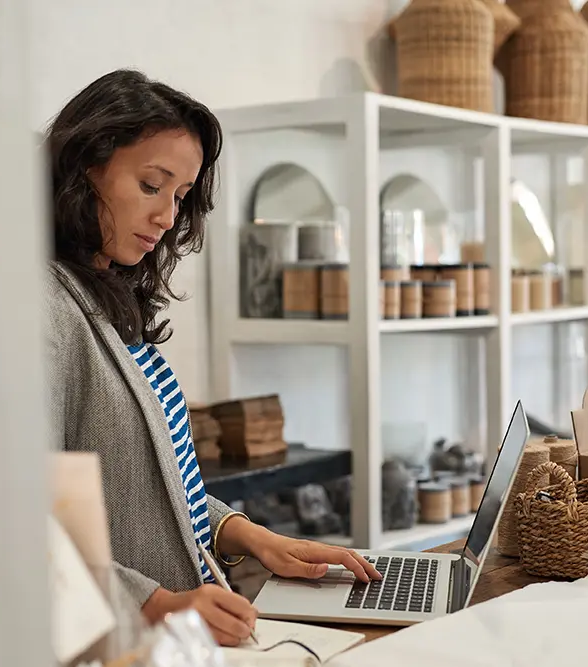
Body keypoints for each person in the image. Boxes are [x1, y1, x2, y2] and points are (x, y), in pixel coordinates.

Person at [42, 69, 379, 647]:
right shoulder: (41, 305)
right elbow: (23, 512)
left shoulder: (104, 291)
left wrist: (249, 535)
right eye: (152, 185)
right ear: (82, 169)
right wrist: (156, 604)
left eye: (179, 196)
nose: (168, 217)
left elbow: (151, 482)